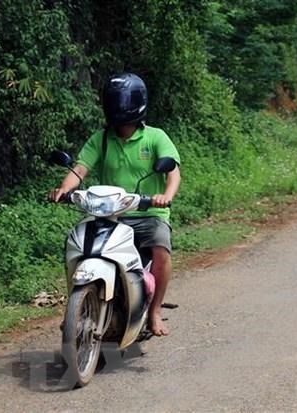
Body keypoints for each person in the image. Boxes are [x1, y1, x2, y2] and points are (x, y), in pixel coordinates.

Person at [49, 73, 181, 336]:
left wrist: (165, 196)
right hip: (110, 214)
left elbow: (173, 173)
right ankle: (78, 306)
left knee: (161, 248)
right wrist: (64, 190)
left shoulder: (155, 137)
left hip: (148, 212)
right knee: (77, 244)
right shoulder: (101, 138)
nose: (119, 106)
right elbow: (80, 169)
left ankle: (154, 312)